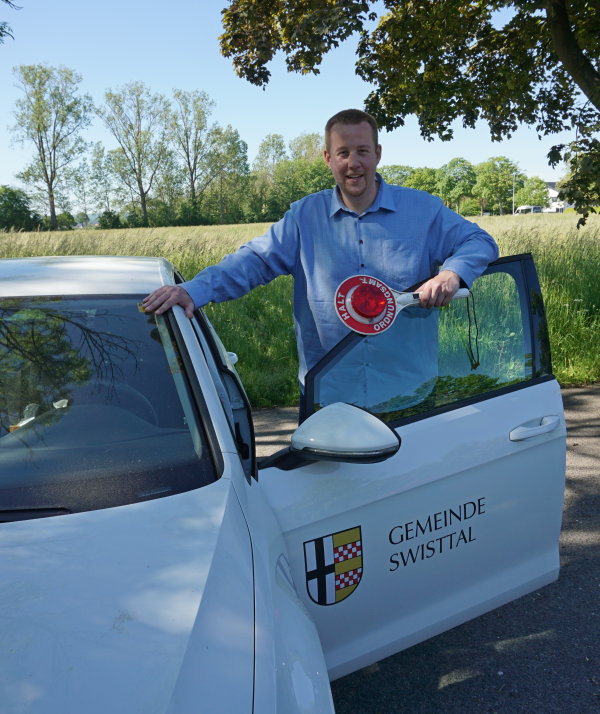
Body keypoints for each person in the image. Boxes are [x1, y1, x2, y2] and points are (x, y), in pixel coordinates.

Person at [143, 108, 499, 392]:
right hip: (328, 392)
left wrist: (451, 274)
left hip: (407, 390)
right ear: (328, 158)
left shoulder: (423, 210)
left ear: (377, 154)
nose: (353, 163)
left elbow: (480, 241)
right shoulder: (303, 217)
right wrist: (191, 290)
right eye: (343, 153)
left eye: (362, 151)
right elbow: (252, 261)